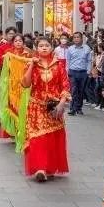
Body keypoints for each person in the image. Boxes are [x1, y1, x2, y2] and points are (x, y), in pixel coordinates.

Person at [21, 37, 70, 182]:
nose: (44, 48)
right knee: (37, 138)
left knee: (52, 138)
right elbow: (25, 84)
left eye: (47, 45)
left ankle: (49, 167)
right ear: (36, 48)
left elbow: (65, 86)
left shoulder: (59, 65)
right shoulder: (32, 64)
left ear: (52, 47)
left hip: (54, 107)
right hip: (36, 106)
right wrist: (31, 65)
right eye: (41, 46)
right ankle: (39, 168)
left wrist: (61, 104)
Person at [66, 32, 92, 116]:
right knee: (73, 91)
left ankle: (79, 108)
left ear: (81, 39)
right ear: (73, 39)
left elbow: (89, 61)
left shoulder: (87, 48)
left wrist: (88, 71)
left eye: (78, 37)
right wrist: (67, 71)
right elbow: (68, 61)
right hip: (73, 72)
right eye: (75, 37)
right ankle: (72, 109)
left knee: (81, 91)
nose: (76, 39)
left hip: (83, 73)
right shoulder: (70, 49)